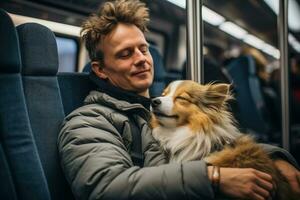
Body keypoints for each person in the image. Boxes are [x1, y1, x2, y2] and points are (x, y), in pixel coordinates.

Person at [57, 0, 300, 199]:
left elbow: (216, 142)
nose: (141, 58)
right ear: (100, 70)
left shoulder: (155, 108)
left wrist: (275, 158)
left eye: (143, 49)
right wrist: (212, 177)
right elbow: (106, 188)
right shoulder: (87, 123)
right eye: (125, 54)